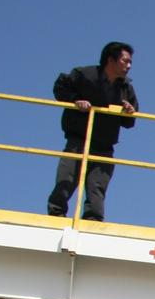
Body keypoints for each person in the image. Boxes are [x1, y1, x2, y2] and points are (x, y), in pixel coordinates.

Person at [46, 41, 139, 222]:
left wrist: (128, 111)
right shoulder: (84, 75)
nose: (129, 66)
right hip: (78, 139)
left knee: (97, 185)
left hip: (104, 145)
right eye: (125, 61)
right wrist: (76, 100)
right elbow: (60, 88)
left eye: (130, 62)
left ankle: (93, 220)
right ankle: (56, 214)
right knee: (67, 178)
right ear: (110, 60)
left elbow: (130, 122)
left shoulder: (125, 88)